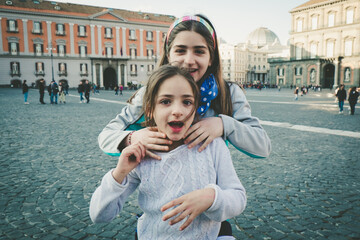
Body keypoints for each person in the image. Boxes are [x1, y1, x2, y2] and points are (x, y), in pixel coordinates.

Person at [97, 14, 270, 236]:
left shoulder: (228, 92)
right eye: (180, 50)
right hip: (163, 212)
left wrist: (224, 124)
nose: (189, 60)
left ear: (211, 57)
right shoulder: (151, 92)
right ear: (168, 54)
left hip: (210, 210)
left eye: (199, 51)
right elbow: (106, 135)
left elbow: (262, 145)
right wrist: (132, 138)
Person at [89, 65, 246, 239]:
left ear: (195, 109)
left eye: (187, 102)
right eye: (165, 101)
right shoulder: (142, 152)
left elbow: (238, 197)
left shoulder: (213, 146)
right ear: (150, 109)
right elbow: (99, 215)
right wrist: (119, 174)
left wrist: (211, 197)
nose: (177, 111)